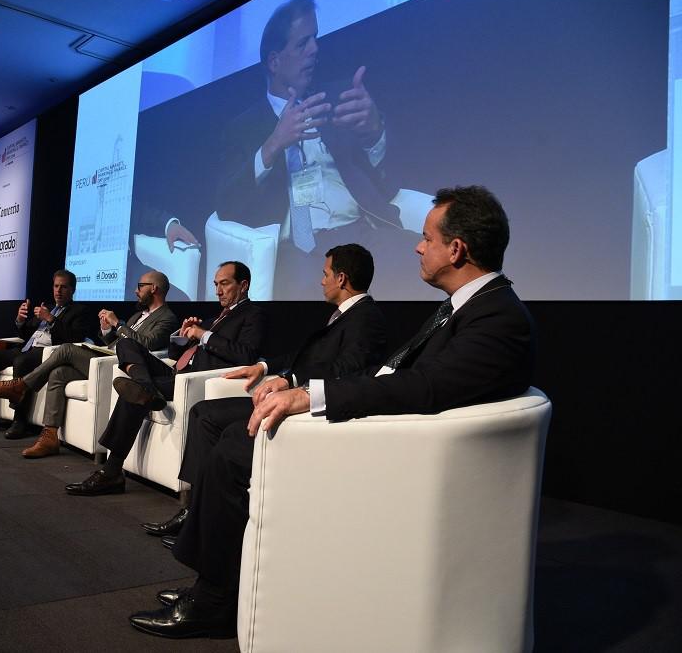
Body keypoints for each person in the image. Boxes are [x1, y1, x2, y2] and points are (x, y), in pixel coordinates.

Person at [129, 185, 537, 639]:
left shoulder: (497, 317)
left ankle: (213, 600)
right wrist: (293, 382)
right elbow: (398, 375)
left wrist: (312, 396)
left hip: (387, 450)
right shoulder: (468, 308)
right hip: (385, 430)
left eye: (427, 238)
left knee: (232, 447)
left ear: (456, 249)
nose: (418, 247)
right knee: (228, 435)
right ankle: (215, 584)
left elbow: (425, 387)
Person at [141, 244, 387, 543]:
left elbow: (348, 368)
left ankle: (198, 519)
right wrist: (264, 366)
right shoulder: (344, 315)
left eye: (325, 274)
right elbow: (302, 357)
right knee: (203, 412)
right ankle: (195, 512)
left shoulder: (366, 317)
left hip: (310, 405)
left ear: (342, 278)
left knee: (208, 418)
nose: (321, 281)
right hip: (291, 393)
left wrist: (290, 380)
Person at [217, 0, 423, 298]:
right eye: (303, 44)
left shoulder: (337, 100)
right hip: (299, 248)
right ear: (274, 61)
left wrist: (374, 131)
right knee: (301, 297)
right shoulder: (244, 126)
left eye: (315, 39)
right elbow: (226, 204)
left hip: (360, 234)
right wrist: (274, 144)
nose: (315, 50)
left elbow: (388, 181)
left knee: (423, 258)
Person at [64, 261, 267, 496]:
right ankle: (146, 386)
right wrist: (182, 336)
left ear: (243, 285)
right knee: (127, 344)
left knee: (133, 391)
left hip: (194, 380)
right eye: (215, 284)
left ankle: (111, 472)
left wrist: (204, 335)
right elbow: (174, 354)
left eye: (224, 284)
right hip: (176, 373)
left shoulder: (253, 315)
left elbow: (245, 354)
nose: (218, 291)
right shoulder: (215, 318)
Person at [0, 270, 180, 455]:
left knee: (66, 349)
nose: (136, 291)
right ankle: (49, 436)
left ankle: (21, 386)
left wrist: (117, 324)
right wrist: (107, 330)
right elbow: (117, 343)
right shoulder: (137, 315)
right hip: (108, 359)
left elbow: (146, 344)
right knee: (58, 373)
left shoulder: (167, 317)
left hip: (124, 368)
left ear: (154, 288)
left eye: (140, 286)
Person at [0, 270, 90, 432]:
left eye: (63, 287)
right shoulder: (48, 308)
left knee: (21, 362)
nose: (58, 290)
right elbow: (26, 334)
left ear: (72, 290)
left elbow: (74, 338)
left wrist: (50, 319)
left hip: (47, 352)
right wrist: (20, 321)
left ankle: (20, 420)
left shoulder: (79, 311)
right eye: (56, 286)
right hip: (25, 349)